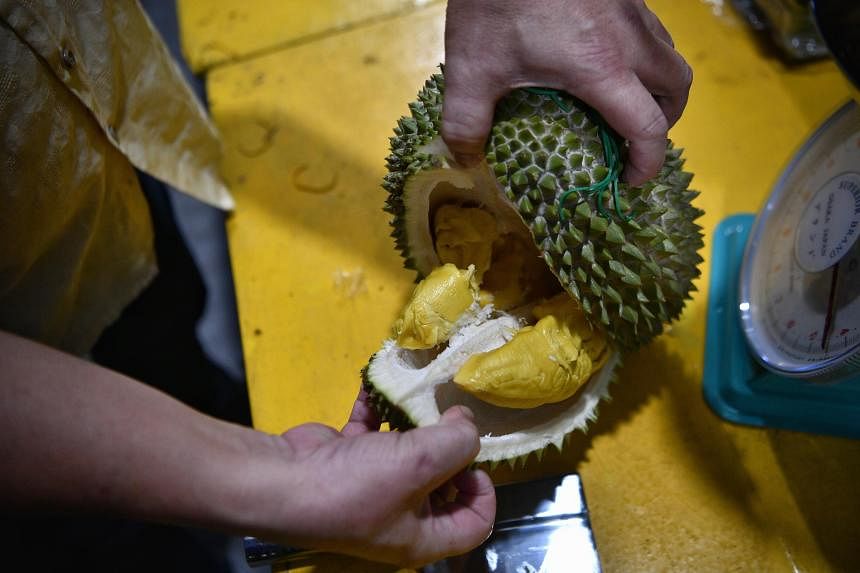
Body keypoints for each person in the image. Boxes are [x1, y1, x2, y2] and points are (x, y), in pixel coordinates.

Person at [0, 0, 691, 569]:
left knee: (162, 318)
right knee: (99, 546)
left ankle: (210, 410)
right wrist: (271, 484)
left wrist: (266, 469)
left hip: (83, 125)